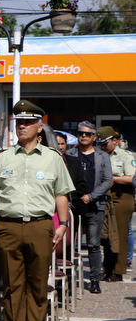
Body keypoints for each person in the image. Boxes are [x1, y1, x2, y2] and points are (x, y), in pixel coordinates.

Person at [0, 101, 74, 321]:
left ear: (39, 127)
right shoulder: (2, 156)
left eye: (28, 122)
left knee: (38, 283)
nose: (22, 126)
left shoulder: (53, 159)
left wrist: (63, 224)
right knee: (12, 283)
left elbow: (61, 194)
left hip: (40, 226)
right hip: (7, 227)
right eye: (19, 122)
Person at [66, 121, 111, 294]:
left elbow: (107, 180)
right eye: (80, 133)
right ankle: (69, 281)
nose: (83, 136)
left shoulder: (102, 156)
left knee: (93, 244)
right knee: (70, 244)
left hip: (95, 205)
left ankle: (94, 279)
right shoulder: (70, 154)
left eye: (87, 133)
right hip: (73, 206)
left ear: (94, 137)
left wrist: (91, 196)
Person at [99, 127, 135, 282]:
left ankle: (118, 270)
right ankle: (107, 268)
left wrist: (113, 179)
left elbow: (132, 177)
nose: (102, 146)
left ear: (114, 141)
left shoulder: (125, 156)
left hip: (122, 196)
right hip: (105, 196)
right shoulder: (99, 155)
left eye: (105, 143)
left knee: (119, 234)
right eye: (100, 143)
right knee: (106, 236)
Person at [56, 132, 88, 201]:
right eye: (58, 144)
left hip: (73, 202)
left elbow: (82, 185)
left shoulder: (75, 162)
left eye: (63, 144)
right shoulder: (48, 162)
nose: (61, 147)